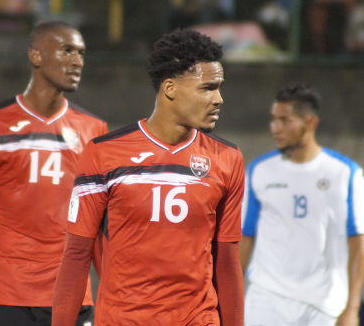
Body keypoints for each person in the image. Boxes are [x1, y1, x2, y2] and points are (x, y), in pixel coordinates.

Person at [52, 29, 245, 326]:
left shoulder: (228, 159)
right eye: (208, 88)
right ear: (170, 88)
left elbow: (228, 263)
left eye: (219, 88)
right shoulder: (103, 154)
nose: (218, 99)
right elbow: (77, 255)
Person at [0, 21, 108, 326]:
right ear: (36, 56)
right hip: (8, 296)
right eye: (67, 50)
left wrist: (114, 293)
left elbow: (98, 223)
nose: (77, 61)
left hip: (73, 297)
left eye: (82, 53)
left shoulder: (94, 130)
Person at [240, 85, 364, 326]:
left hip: (324, 304)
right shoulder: (259, 171)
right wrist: (230, 296)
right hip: (266, 299)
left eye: (284, 120)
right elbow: (244, 237)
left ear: (310, 123)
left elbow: (358, 242)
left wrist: (352, 308)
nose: (274, 128)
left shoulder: (346, 174)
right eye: (273, 120)